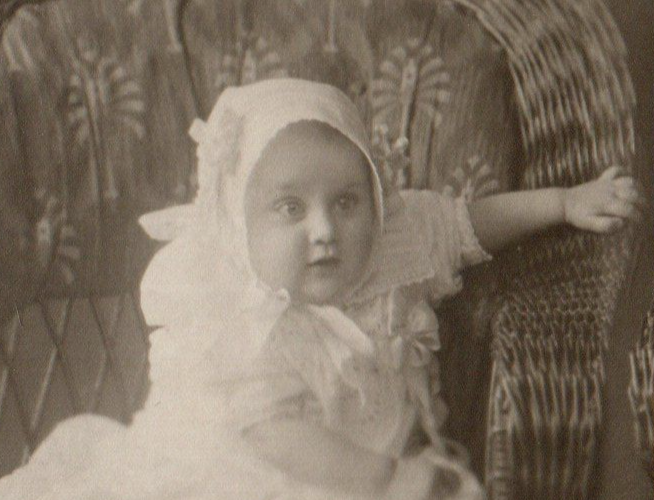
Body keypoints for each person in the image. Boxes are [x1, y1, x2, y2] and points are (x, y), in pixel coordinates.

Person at [0, 78, 641, 500]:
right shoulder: (235, 313)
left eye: (346, 201)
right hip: (254, 477)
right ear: (240, 222)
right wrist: (389, 481)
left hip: (380, 467)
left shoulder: (392, 243)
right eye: (290, 209)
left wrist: (563, 202)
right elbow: (273, 434)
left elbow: (468, 225)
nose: (325, 231)